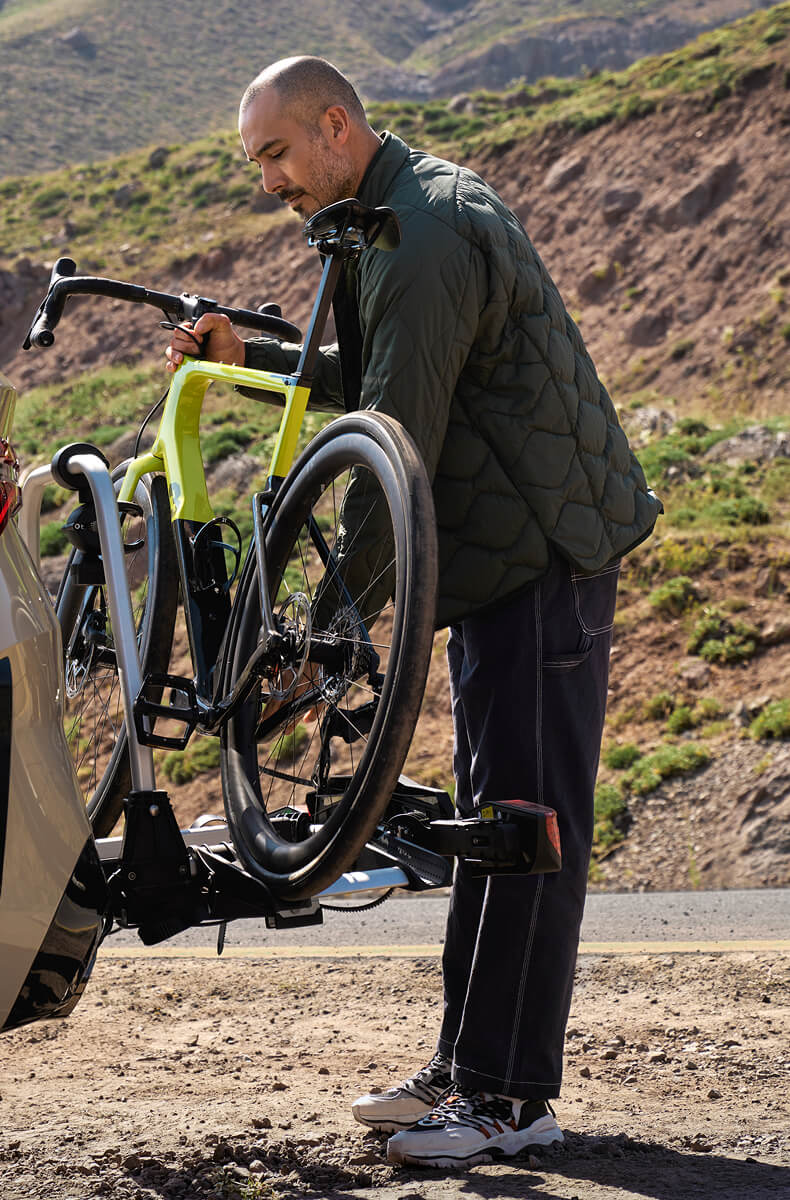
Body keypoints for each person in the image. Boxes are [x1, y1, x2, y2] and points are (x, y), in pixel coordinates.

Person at [164, 56, 662, 1169]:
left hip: (542, 556)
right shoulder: (385, 221)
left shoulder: (422, 234)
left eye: (276, 155)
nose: (269, 182)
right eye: (257, 163)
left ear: (335, 126)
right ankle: (464, 1067)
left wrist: (332, 632)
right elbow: (385, 375)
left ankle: (509, 1098)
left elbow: (393, 447)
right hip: (499, 565)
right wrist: (262, 356)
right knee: (494, 821)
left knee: (528, 833)